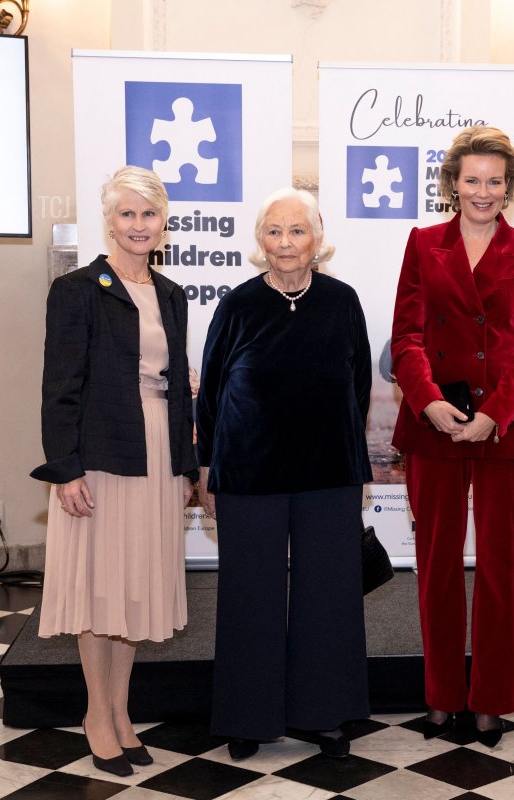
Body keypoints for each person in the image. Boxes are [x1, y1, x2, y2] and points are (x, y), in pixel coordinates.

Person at [390, 126, 514, 747]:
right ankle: (440, 697)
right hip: (434, 426)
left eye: (495, 180)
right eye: (472, 179)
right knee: (434, 566)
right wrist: (428, 400)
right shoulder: (424, 243)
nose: (483, 192)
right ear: (452, 183)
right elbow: (405, 335)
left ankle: (491, 699)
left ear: (509, 185)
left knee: (502, 568)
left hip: (506, 429)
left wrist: (497, 413)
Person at [196, 187, 372, 762]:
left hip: (328, 473)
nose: (286, 243)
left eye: (297, 231)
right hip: (249, 473)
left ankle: (322, 714)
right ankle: (249, 718)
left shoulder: (343, 301)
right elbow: (212, 394)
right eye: (274, 231)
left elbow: (360, 387)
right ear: (259, 241)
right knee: (250, 596)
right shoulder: (238, 305)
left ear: (318, 238)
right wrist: (206, 470)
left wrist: (353, 461)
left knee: (329, 595)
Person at [32, 166, 197, 778]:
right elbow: (59, 389)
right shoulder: (77, 290)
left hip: (156, 455)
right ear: (110, 219)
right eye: (127, 214)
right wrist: (65, 470)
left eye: (148, 215)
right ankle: (96, 715)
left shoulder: (172, 292)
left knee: (133, 593)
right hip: (100, 456)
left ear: (163, 223)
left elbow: (178, 388)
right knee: (101, 590)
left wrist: (187, 466)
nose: (138, 225)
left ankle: (123, 713)